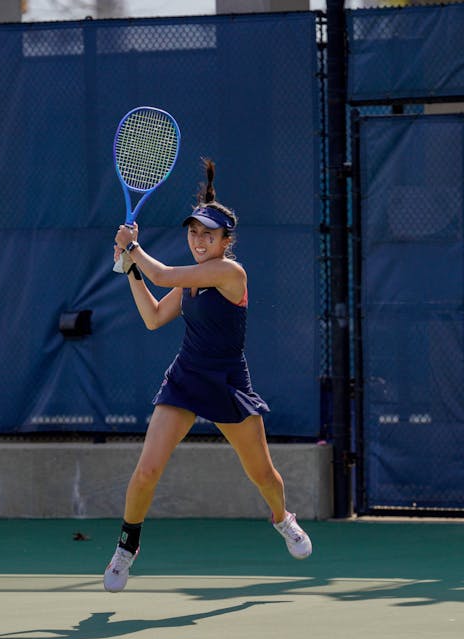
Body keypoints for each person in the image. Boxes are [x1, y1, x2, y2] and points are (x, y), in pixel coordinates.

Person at [103, 158, 312, 593]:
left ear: (225, 241)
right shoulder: (192, 280)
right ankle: (127, 547)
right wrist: (130, 271)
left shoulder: (229, 272)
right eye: (194, 232)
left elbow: (160, 272)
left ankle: (282, 519)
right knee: (146, 472)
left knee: (264, 477)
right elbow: (155, 317)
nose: (199, 240)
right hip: (185, 379)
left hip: (229, 384)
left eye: (209, 234)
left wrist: (133, 249)